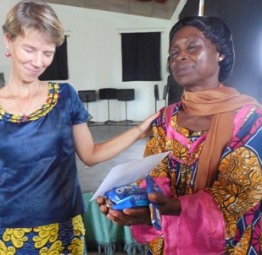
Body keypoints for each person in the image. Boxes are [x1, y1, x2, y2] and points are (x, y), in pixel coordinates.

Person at [0, 1, 158, 254]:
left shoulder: (64, 96)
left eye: (48, 52)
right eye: (30, 49)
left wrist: (139, 131)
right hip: (7, 234)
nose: (38, 61)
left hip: (65, 230)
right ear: (8, 40)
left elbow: (90, 154)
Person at [97, 16, 262, 254]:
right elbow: (154, 175)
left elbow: (241, 196)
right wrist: (134, 204)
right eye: (174, 52)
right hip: (169, 244)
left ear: (220, 53)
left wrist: (172, 207)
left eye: (192, 46)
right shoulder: (165, 118)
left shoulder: (250, 120)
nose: (180, 56)